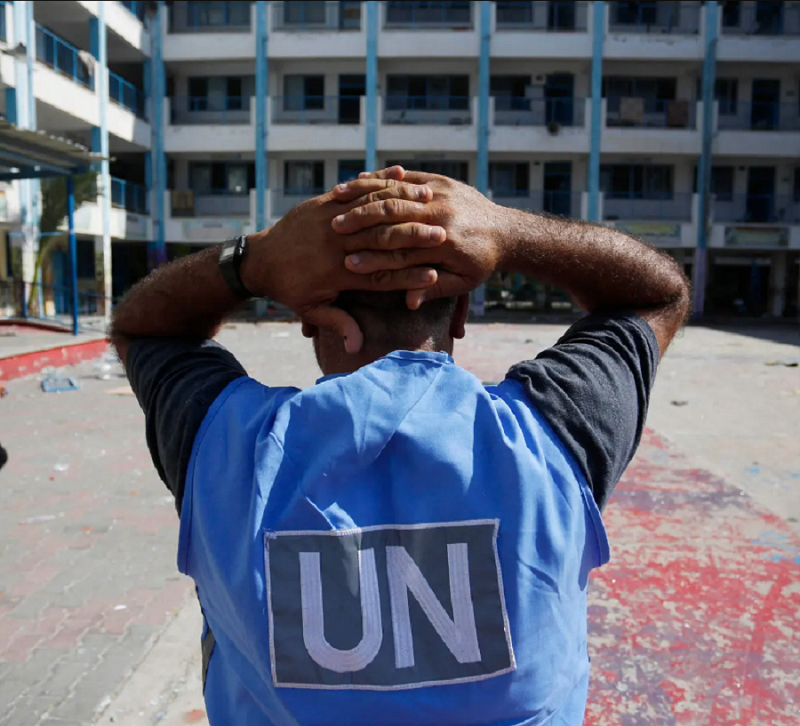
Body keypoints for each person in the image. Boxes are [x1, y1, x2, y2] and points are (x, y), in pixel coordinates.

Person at [110, 168, 690, 726]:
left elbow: (142, 326)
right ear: (460, 312)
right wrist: (508, 233)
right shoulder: (551, 434)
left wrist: (254, 262)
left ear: (312, 319)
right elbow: (657, 294)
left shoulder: (226, 446)